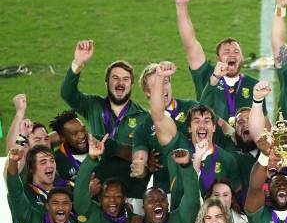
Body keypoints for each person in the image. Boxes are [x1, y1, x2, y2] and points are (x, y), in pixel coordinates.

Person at [60, 40, 149, 213]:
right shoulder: (93, 105)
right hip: (98, 190)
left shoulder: (144, 117)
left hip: (131, 193)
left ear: (131, 84)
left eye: (125, 79)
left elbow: (149, 156)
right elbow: (67, 93)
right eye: (115, 78)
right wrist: (78, 63)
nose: (120, 83)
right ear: (106, 82)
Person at [148, 63, 241, 206]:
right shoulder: (179, 149)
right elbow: (158, 116)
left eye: (207, 121)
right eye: (196, 121)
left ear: (214, 127)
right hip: (184, 222)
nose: (202, 125)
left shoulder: (227, 159)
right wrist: (160, 77)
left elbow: (235, 197)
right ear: (189, 128)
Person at [174, 0, 265, 118]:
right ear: (218, 58)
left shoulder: (254, 85)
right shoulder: (205, 74)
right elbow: (190, 43)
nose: (232, 54)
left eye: (236, 51)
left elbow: (263, 121)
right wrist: (181, 6)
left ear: (242, 57)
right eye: (226, 51)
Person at [131, 62, 198, 193]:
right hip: (166, 192)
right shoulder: (142, 128)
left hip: (197, 181)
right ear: (148, 92)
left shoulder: (192, 107)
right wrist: (140, 167)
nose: (162, 87)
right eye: (156, 84)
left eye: (165, 81)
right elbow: (140, 160)